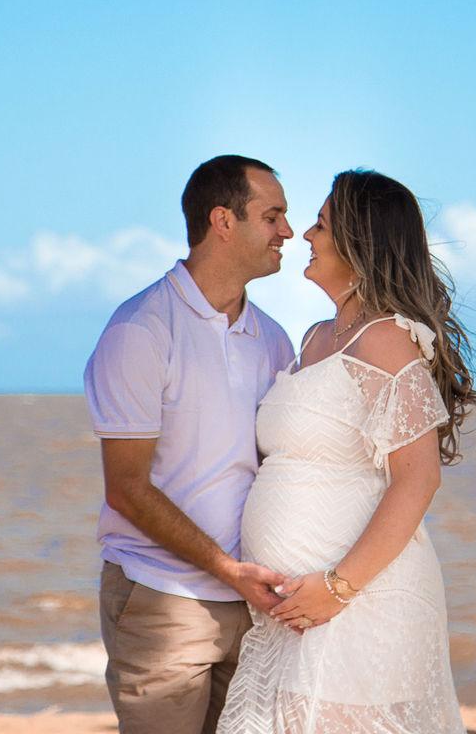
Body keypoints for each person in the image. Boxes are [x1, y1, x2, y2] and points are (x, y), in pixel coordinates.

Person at [217, 169, 476, 733]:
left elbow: (418, 479)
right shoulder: (317, 337)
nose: (304, 237)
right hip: (297, 612)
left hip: (359, 602)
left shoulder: (386, 339)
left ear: (359, 242)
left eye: (319, 225)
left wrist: (337, 588)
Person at [84, 155, 297, 734]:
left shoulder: (273, 340)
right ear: (223, 221)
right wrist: (229, 569)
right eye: (273, 216)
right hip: (162, 600)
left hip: (253, 606)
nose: (288, 232)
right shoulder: (141, 331)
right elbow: (127, 489)